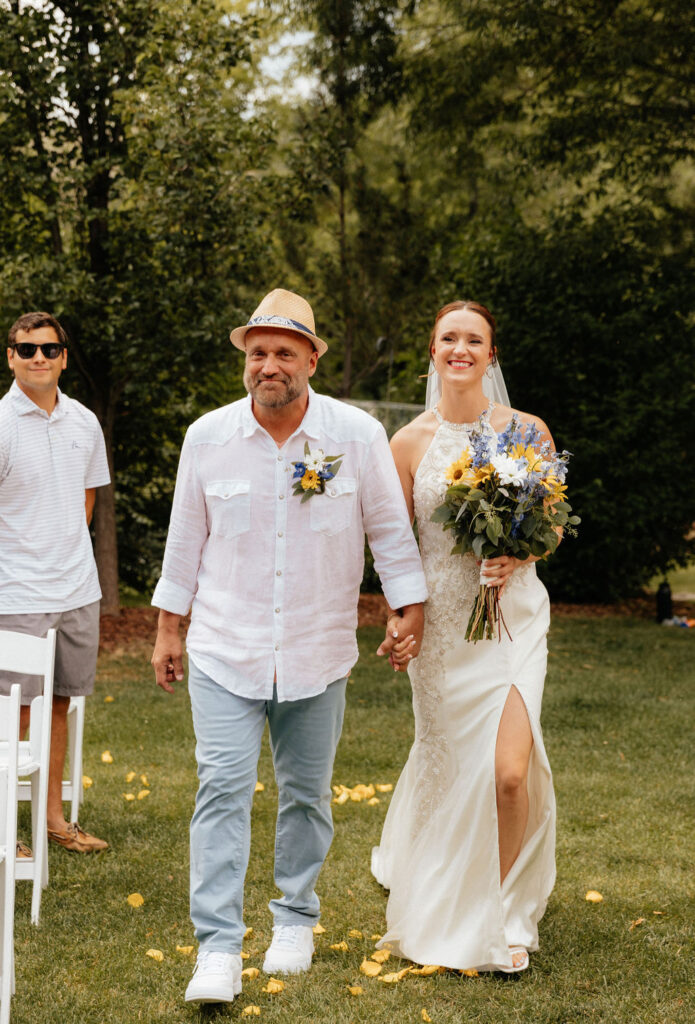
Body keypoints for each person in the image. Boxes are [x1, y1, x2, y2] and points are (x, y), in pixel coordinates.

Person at [151, 288, 427, 1005]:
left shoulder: (356, 435)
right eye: (257, 352)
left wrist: (409, 609)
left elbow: (390, 534)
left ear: (310, 358)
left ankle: (295, 919)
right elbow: (184, 542)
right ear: (245, 360)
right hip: (223, 645)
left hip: (315, 646)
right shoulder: (207, 437)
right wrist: (166, 627)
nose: (268, 365)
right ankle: (215, 946)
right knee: (220, 789)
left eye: (283, 352)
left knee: (306, 795)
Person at [371, 300, 557, 973]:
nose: (460, 349)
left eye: (472, 339)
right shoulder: (407, 444)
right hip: (444, 630)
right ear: (432, 351)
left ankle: (506, 910)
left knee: (509, 773)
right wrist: (400, 616)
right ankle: (436, 865)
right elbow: (394, 549)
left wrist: (520, 554)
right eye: (448, 338)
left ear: (490, 355)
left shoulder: (527, 430)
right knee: (447, 762)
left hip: (512, 618)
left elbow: (553, 523)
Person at [0, 311, 110, 853]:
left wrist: (65, 553)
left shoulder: (85, 423)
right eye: (26, 349)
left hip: (77, 591)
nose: (38, 357)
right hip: (16, 592)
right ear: (11, 357)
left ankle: (52, 821)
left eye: (48, 348)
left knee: (61, 703)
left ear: (64, 356)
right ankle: (1, 828)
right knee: (14, 712)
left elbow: (85, 502)